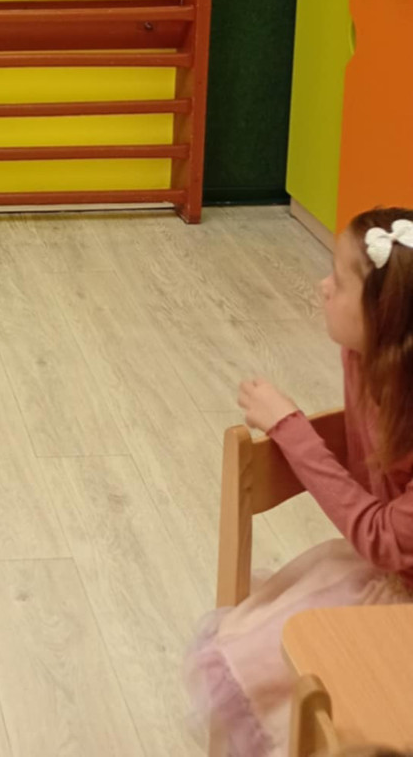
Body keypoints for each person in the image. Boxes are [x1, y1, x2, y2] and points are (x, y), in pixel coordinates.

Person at [187, 208, 413, 755]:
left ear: (384, 315)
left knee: (274, 674)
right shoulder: (366, 358)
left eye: (339, 280)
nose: (323, 286)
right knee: (248, 651)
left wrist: (291, 429)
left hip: (397, 595)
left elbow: (382, 537)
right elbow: (372, 479)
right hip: (392, 571)